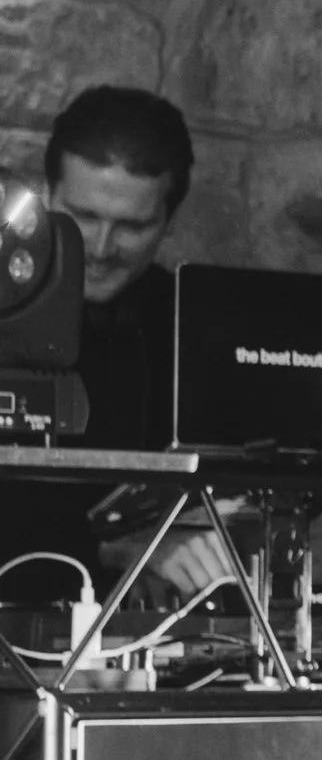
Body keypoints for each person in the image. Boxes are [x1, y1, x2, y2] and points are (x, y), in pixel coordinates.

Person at [0, 85, 192, 607]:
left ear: (169, 221)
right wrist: (114, 549)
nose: (102, 248)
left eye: (132, 225)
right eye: (83, 216)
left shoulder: (187, 324)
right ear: (48, 195)